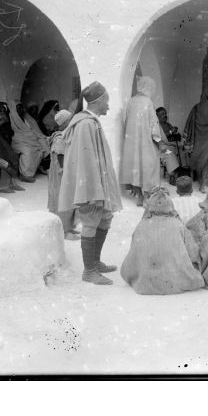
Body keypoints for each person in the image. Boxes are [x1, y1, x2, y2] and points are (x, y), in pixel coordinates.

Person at [58, 82, 122, 286]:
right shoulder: (85, 124)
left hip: (97, 186)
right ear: (99, 101)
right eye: (107, 102)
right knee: (91, 222)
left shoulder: (91, 122)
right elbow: (85, 164)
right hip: (91, 188)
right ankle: (89, 271)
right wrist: (94, 193)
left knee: (105, 219)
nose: (109, 106)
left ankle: (95, 262)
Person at [120, 188, 204, 295]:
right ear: (170, 206)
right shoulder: (178, 225)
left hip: (144, 282)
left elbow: (134, 251)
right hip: (174, 279)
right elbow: (193, 253)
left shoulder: (141, 225)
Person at [120, 76, 162, 206]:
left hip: (132, 142)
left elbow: (126, 121)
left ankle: (138, 195)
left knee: (136, 167)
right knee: (148, 166)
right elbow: (154, 124)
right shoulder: (148, 102)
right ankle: (147, 197)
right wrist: (158, 140)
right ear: (148, 87)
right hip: (145, 141)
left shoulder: (131, 101)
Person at [47, 109, 79, 240]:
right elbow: (60, 157)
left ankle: (69, 226)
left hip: (67, 172)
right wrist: (64, 171)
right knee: (63, 200)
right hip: (62, 174)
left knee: (70, 199)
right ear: (65, 123)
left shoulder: (67, 133)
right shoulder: (60, 137)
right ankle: (64, 231)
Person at [8, 100, 50, 181]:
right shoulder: (11, 117)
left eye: (21, 107)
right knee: (28, 151)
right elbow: (12, 132)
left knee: (44, 143)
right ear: (14, 109)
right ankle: (25, 174)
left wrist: (38, 136)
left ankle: (44, 167)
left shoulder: (26, 117)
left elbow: (34, 129)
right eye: (18, 108)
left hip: (30, 138)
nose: (21, 109)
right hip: (18, 140)